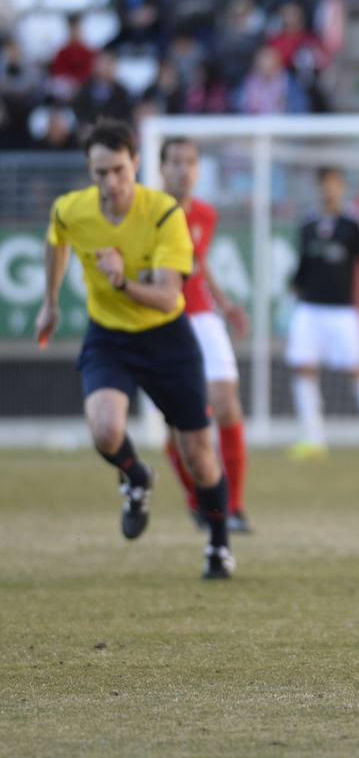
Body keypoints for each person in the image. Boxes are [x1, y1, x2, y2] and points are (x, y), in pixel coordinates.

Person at [34, 120, 234, 580]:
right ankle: (137, 478)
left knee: (199, 453)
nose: (110, 183)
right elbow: (56, 240)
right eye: (100, 173)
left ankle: (219, 544)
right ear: (90, 170)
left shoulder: (163, 213)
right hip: (109, 337)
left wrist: (121, 280)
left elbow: (168, 297)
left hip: (168, 338)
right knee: (105, 431)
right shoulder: (72, 209)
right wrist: (49, 304)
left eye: (119, 171)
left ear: (136, 165)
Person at [158, 137, 253, 533]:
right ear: (162, 168)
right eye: (175, 162)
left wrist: (225, 303)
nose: (183, 169)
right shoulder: (148, 212)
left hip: (202, 315)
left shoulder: (205, 215)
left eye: (190, 162)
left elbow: (197, 263)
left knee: (226, 404)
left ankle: (232, 505)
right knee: (181, 423)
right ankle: (198, 500)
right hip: (162, 320)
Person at [287, 166, 359, 462]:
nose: (328, 190)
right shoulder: (308, 224)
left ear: (343, 187)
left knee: (357, 370)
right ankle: (313, 439)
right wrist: (290, 300)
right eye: (324, 184)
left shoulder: (355, 223)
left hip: (342, 312)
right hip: (309, 310)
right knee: (303, 369)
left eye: (334, 184)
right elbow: (302, 267)